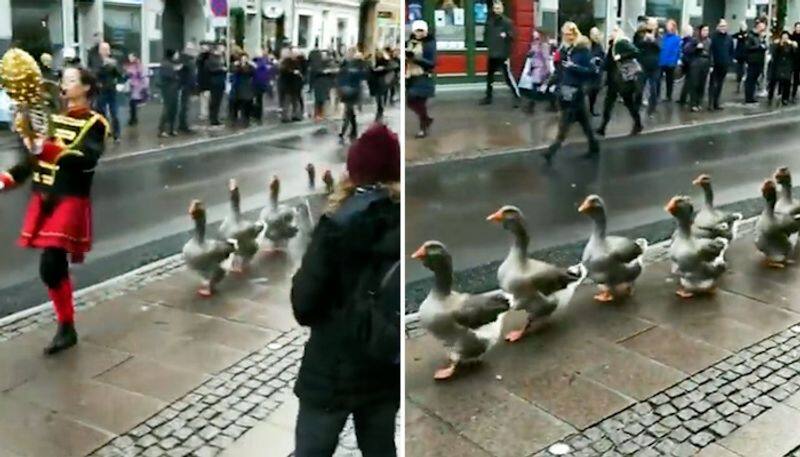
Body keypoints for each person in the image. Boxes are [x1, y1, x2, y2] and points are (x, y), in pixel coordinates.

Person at [291, 122, 400, 457]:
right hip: (383, 362)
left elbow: (304, 304)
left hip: (332, 368)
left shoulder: (336, 226)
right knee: (380, 447)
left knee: (313, 450)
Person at [0, 66, 108, 355]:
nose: (65, 84)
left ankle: (65, 327)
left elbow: (86, 159)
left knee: (50, 262)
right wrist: (7, 178)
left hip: (70, 196)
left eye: (72, 80)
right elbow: (35, 161)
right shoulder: (53, 120)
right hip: (43, 195)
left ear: (85, 87)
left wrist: (47, 150)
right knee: (52, 269)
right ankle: (67, 326)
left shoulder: (95, 123)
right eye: (64, 79)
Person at [543, 22, 599, 163]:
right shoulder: (565, 50)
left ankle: (552, 150)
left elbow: (592, 71)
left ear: (575, 34)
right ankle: (594, 146)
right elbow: (560, 71)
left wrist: (575, 67)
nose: (566, 37)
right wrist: (548, 83)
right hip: (565, 89)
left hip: (575, 90)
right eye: (565, 34)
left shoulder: (582, 51)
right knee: (584, 122)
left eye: (569, 34)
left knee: (565, 121)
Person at [597, 26, 643, 137]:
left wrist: (620, 56)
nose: (611, 33)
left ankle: (638, 123)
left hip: (621, 78)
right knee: (610, 103)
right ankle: (602, 127)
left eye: (613, 31)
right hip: (614, 78)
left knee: (627, 102)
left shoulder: (621, 42)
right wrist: (600, 67)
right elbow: (609, 61)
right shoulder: (613, 44)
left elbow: (636, 52)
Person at [479, 0, 520, 107]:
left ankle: (516, 97)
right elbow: (486, 35)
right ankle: (488, 97)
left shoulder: (507, 22)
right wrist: (488, 44)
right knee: (490, 77)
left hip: (503, 54)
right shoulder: (490, 21)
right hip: (492, 53)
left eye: (499, 8)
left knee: (507, 77)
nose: (497, 10)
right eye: (495, 8)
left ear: (502, 9)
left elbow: (513, 37)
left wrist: (506, 35)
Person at [406, 20, 436, 138]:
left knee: (419, 102)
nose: (419, 33)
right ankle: (426, 120)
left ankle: (423, 129)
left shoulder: (429, 43)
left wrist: (415, 58)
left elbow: (432, 63)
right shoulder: (410, 42)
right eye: (417, 30)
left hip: (423, 76)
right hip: (411, 76)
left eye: (421, 30)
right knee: (411, 102)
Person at [337, 47, 367, 143]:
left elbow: (363, 75)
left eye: (350, 52)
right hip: (345, 90)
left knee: (348, 111)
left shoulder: (358, 64)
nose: (349, 54)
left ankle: (343, 132)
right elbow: (341, 74)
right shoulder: (346, 63)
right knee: (350, 112)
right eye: (348, 52)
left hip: (353, 90)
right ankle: (353, 130)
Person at [518, 31, 552, 114]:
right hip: (536, 68)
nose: (535, 39)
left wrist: (548, 69)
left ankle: (531, 106)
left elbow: (546, 58)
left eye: (536, 37)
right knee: (542, 86)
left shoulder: (543, 46)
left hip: (540, 69)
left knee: (536, 86)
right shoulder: (535, 45)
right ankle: (552, 103)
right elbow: (531, 54)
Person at [634, 17, 662, 116]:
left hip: (655, 66)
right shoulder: (640, 34)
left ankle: (651, 110)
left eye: (654, 25)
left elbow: (660, 47)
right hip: (643, 65)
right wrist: (644, 41)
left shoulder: (659, 36)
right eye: (650, 24)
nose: (651, 26)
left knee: (653, 89)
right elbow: (635, 46)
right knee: (639, 89)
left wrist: (653, 40)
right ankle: (636, 108)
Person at [95, 42, 122, 142]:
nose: (106, 51)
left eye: (107, 49)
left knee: (114, 113)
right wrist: (103, 66)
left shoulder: (113, 61)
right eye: (104, 49)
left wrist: (113, 66)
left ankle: (117, 135)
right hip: (101, 90)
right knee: (101, 113)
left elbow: (119, 74)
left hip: (111, 89)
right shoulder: (96, 61)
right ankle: (103, 132)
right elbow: (94, 74)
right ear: (100, 51)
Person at [709, 19, 734, 110]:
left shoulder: (729, 38)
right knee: (713, 84)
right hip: (715, 64)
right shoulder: (713, 37)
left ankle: (716, 103)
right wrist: (711, 64)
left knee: (720, 84)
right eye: (721, 26)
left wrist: (729, 61)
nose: (723, 28)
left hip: (724, 64)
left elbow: (731, 51)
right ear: (718, 27)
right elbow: (710, 51)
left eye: (725, 26)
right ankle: (710, 103)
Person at [685, 24, 712, 112]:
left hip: (705, 63)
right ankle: (693, 103)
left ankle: (699, 102)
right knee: (694, 84)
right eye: (704, 30)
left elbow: (711, 54)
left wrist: (711, 65)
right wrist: (695, 48)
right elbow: (687, 50)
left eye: (707, 30)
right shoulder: (695, 40)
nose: (706, 32)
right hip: (696, 63)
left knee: (702, 84)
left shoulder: (709, 41)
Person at [768, 31, 796, 106]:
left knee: (787, 82)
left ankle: (785, 98)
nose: (785, 39)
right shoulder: (777, 44)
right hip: (777, 65)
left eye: (786, 37)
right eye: (783, 37)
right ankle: (770, 96)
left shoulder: (791, 45)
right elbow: (773, 52)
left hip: (787, 66)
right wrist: (778, 44)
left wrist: (793, 46)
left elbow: (795, 54)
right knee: (773, 82)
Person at [158, 49, 181, 137]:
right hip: (168, 89)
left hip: (173, 89)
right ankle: (162, 129)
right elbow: (169, 76)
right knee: (168, 109)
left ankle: (171, 129)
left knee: (173, 109)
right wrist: (176, 73)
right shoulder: (166, 64)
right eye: (176, 54)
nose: (177, 56)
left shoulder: (170, 63)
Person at [744, 18, 768, 104]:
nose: (762, 30)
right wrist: (758, 47)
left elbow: (764, 46)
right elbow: (747, 47)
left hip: (759, 61)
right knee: (750, 79)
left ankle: (752, 96)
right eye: (761, 29)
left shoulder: (760, 37)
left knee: (754, 80)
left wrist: (763, 45)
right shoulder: (750, 36)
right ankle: (748, 97)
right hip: (752, 60)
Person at [310, 50, 336, 121]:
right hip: (319, 84)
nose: (323, 56)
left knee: (324, 99)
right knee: (319, 100)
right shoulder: (316, 64)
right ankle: (318, 115)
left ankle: (322, 114)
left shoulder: (327, 63)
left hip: (325, 84)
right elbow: (315, 72)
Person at [177, 42, 197, 133]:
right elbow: (183, 74)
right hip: (185, 86)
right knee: (184, 106)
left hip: (187, 86)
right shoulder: (185, 61)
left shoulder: (189, 60)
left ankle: (183, 124)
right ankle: (183, 125)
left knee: (186, 107)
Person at [659, 19, 681, 102]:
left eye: (669, 25)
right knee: (659, 79)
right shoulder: (663, 37)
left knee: (669, 80)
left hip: (671, 62)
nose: (667, 27)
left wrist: (676, 60)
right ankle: (658, 95)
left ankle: (669, 96)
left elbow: (678, 50)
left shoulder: (677, 38)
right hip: (662, 61)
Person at [231, 52, 256, 126]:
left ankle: (246, 119)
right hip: (239, 86)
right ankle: (237, 119)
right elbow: (234, 71)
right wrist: (238, 66)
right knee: (238, 103)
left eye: (245, 58)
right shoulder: (237, 66)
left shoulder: (250, 66)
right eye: (242, 58)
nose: (244, 60)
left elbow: (253, 72)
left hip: (247, 86)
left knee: (247, 103)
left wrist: (253, 66)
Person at [124, 53, 148, 126]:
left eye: (131, 57)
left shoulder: (138, 65)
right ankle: (133, 118)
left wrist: (144, 86)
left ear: (135, 57)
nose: (130, 59)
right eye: (129, 57)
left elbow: (142, 75)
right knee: (132, 103)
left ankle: (133, 119)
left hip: (137, 86)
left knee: (133, 103)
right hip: (132, 86)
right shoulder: (131, 65)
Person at [206, 44, 227, 126]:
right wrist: (221, 69)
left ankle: (216, 117)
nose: (224, 49)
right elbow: (210, 69)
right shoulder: (212, 58)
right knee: (214, 101)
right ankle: (213, 118)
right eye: (222, 48)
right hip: (215, 81)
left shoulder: (221, 57)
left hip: (221, 81)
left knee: (218, 100)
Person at [369, 48, 391, 121]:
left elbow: (389, 68)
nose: (377, 55)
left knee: (380, 97)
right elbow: (371, 70)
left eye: (379, 53)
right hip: (375, 81)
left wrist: (383, 68)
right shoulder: (373, 60)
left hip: (381, 81)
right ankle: (380, 110)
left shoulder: (385, 61)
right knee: (378, 97)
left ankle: (380, 110)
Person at [678, 24, 695, 105]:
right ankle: (684, 98)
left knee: (687, 82)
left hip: (686, 63)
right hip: (689, 63)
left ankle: (683, 98)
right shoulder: (690, 41)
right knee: (689, 82)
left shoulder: (684, 41)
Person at [196, 42, 212, 122]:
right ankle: (204, 114)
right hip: (202, 81)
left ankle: (205, 114)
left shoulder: (207, 57)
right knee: (204, 99)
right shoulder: (201, 57)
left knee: (206, 98)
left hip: (206, 81)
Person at [734, 22, 749, 93]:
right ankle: (738, 85)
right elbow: (733, 36)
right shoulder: (739, 35)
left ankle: (742, 83)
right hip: (740, 55)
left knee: (744, 70)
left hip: (746, 55)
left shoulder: (748, 35)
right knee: (739, 71)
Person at [791, 22, 800, 101]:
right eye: (797, 27)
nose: (798, 29)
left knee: (796, 77)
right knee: (788, 76)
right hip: (791, 60)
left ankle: (794, 92)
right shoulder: (791, 36)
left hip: (798, 61)